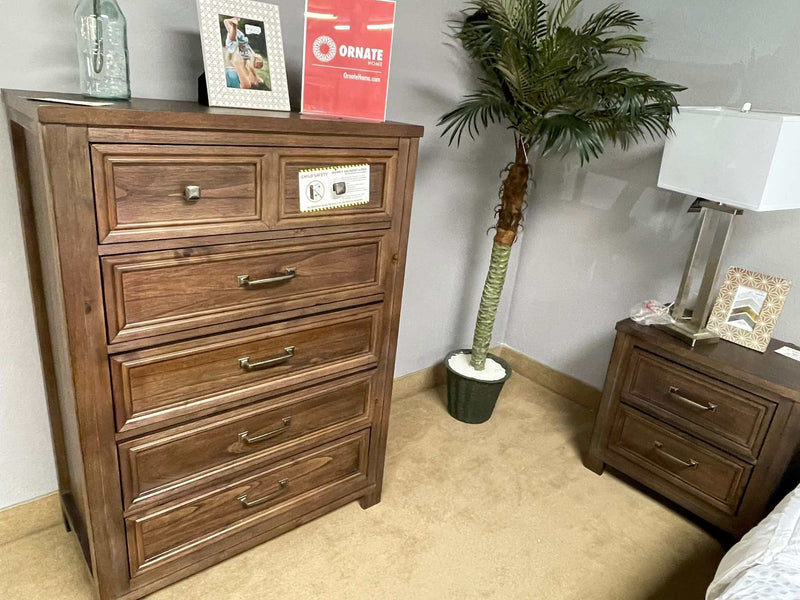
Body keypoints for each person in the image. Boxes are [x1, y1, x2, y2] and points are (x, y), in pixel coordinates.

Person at [223, 17, 268, 90]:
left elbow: (246, 64)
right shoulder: (251, 67)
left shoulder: (249, 71)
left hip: (237, 49)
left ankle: (233, 25)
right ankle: (233, 25)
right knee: (237, 36)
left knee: (232, 37)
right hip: (241, 46)